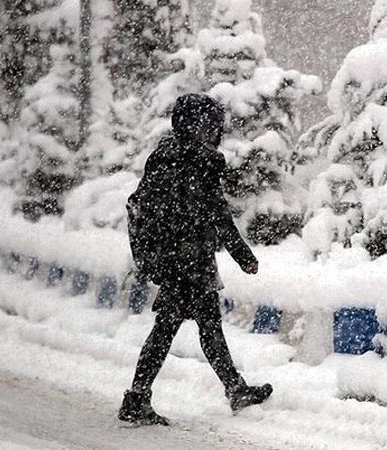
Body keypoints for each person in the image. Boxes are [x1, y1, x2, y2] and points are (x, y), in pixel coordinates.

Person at [119, 93, 272, 426]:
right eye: (209, 124)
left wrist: (148, 254)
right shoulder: (198, 161)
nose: (213, 130)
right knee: (179, 328)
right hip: (189, 261)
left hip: (174, 259)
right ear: (197, 125)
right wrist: (244, 256)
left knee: (198, 326)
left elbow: (138, 205)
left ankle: (232, 389)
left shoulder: (163, 157)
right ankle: (138, 397)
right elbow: (218, 214)